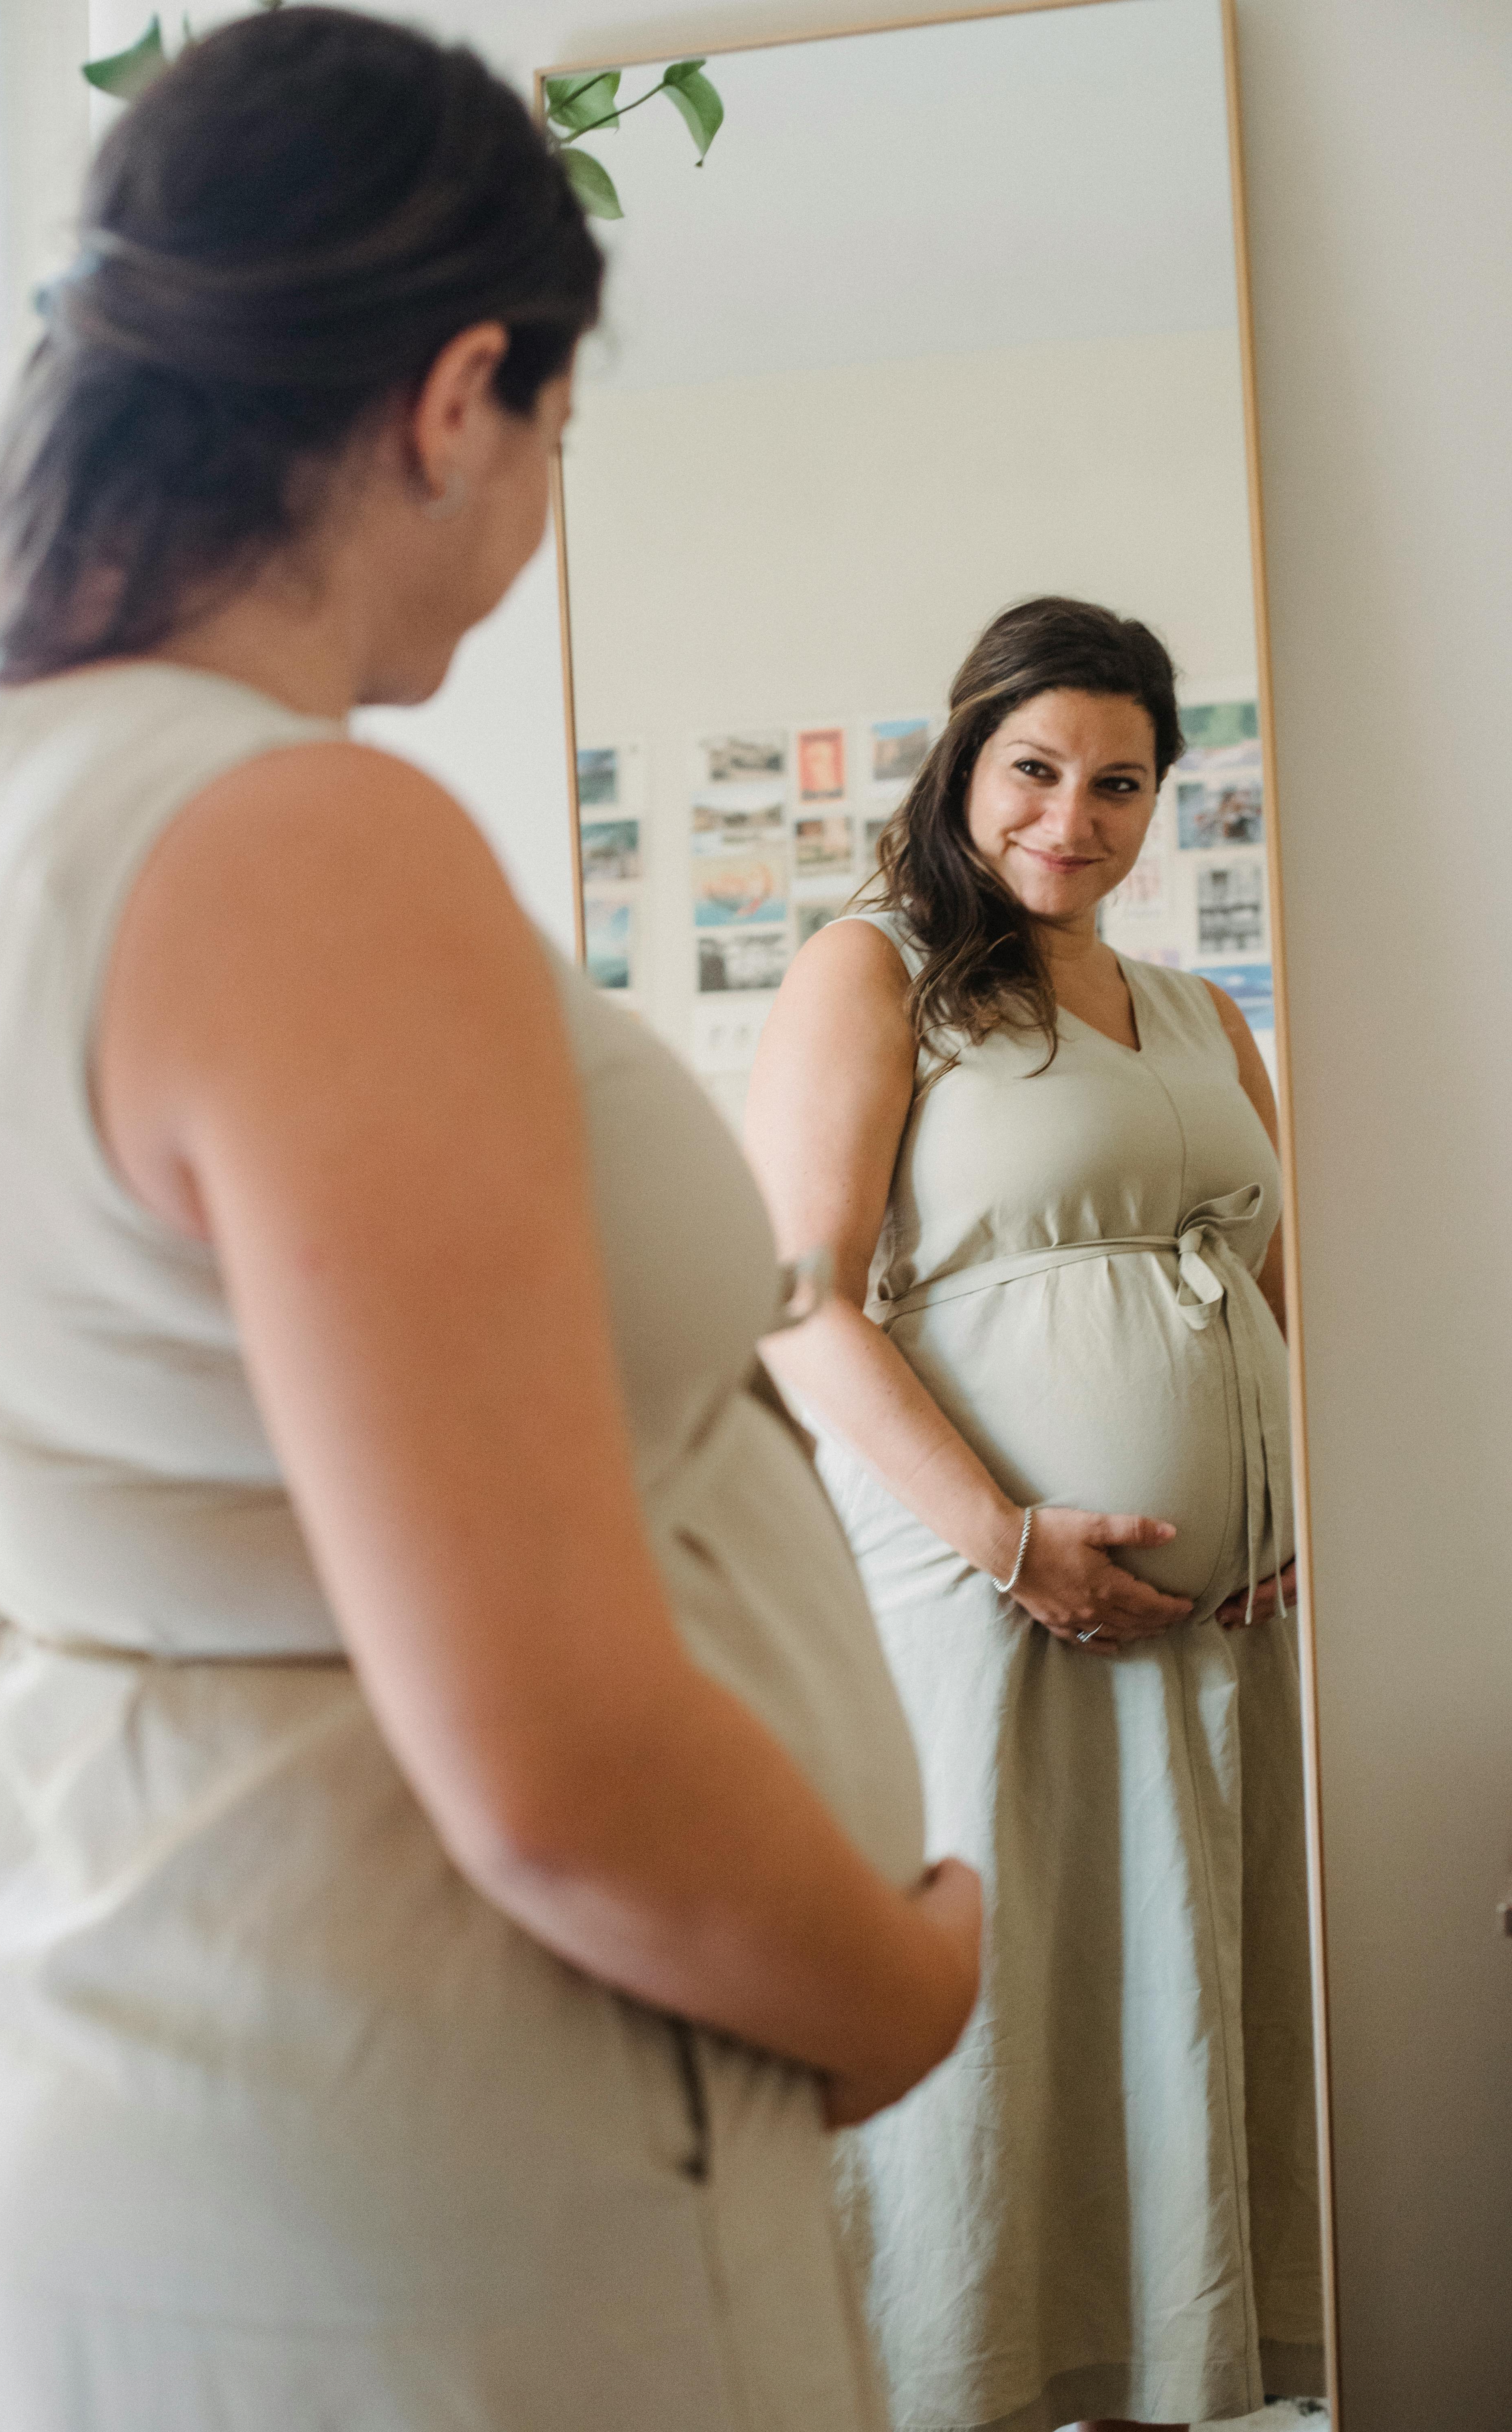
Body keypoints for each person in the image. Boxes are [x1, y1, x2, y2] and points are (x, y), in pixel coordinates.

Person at [0, 15, 982, 2428]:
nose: (536, 514)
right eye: (557, 443)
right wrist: (898, 1996)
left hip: (186, 2049)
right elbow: (558, 1758)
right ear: (458, 392)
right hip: (440, 2144)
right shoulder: (292, 845)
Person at [745, 597, 1323, 2432]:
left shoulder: (1195, 1008)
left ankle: (1161, 2384)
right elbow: (799, 1300)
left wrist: (1299, 1495)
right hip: (980, 1590)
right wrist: (1011, 1540)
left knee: (1183, 2008)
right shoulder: (876, 969)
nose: (1074, 817)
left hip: (1223, 1628)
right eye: (1036, 770)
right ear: (965, 758)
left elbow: (1285, 1280)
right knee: (1022, 2023)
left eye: (1123, 782)